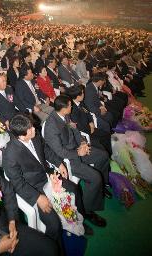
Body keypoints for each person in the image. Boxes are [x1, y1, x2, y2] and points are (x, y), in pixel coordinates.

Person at [3, 114, 89, 240]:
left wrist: (59, 163)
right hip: (34, 188)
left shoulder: (34, 134)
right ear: (21, 136)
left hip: (48, 176)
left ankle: (79, 220)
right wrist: (37, 197)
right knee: (54, 225)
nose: (34, 129)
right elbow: (18, 183)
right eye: (30, 128)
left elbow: (46, 150)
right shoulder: (10, 155)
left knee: (74, 189)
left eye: (32, 126)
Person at [44, 95, 110, 227]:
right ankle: (87, 211)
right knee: (95, 177)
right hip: (68, 159)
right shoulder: (51, 126)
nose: (72, 106)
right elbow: (59, 152)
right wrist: (77, 152)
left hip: (77, 148)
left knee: (103, 156)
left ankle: (102, 186)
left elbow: (75, 131)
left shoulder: (64, 115)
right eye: (70, 105)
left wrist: (83, 143)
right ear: (63, 109)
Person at [67, 85, 112, 155]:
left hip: (90, 127)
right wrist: (89, 128)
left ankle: (110, 154)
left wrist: (91, 123)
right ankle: (107, 155)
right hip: (84, 133)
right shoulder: (72, 109)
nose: (84, 94)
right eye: (82, 93)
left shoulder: (81, 102)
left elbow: (88, 113)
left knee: (106, 135)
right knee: (101, 144)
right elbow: (79, 126)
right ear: (78, 96)